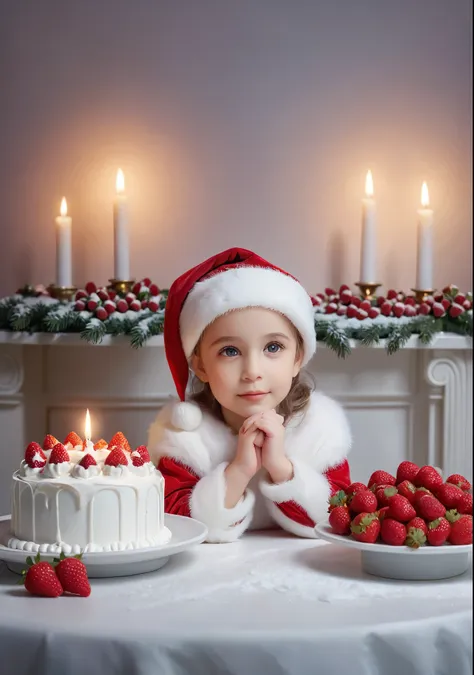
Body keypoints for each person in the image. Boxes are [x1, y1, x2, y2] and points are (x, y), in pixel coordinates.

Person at [148, 247, 352, 542]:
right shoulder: (186, 437)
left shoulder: (319, 429)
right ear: (200, 365)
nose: (252, 371)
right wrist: (239, 470)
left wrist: (281, 467)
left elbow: (336, 517)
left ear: (298, 358)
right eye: (230, 351)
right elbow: (174, 524)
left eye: (273, 348)